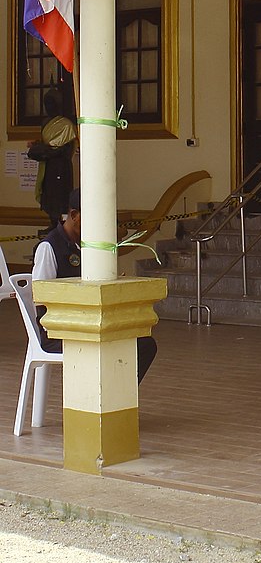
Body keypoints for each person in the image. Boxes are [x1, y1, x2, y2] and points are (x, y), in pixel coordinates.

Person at [32, 188, 157, 384]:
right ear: (74, 215)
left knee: (143, 344)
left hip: (91, 323)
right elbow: (39, 298)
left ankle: (117, 394)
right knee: (111, 345)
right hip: (61, 330)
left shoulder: (88, 246)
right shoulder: (49, 247)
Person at [25, 89, 76, 231]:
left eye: (51, 104)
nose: (49, 107)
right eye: (46, 104)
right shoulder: (46, 122)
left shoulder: (66, 124)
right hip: (47, 166)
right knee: (47, 196)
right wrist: (39, 147)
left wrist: (43, 150)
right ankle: (53, 223)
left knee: (59, 196)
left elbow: (62, 149)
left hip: (60, 166)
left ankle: (59, 225)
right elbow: (47, 144)